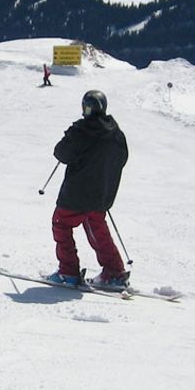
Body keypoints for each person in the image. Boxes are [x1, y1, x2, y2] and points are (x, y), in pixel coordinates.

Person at [46, 90, 130, 289]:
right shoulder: (116, 133)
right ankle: (114, 272)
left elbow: (61, 153)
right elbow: (122, 159)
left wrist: (71, 136)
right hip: (102, 193)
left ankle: (68, 272)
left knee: (61, 224)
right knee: (96, 227)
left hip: (76, 193)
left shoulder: (82, 130)